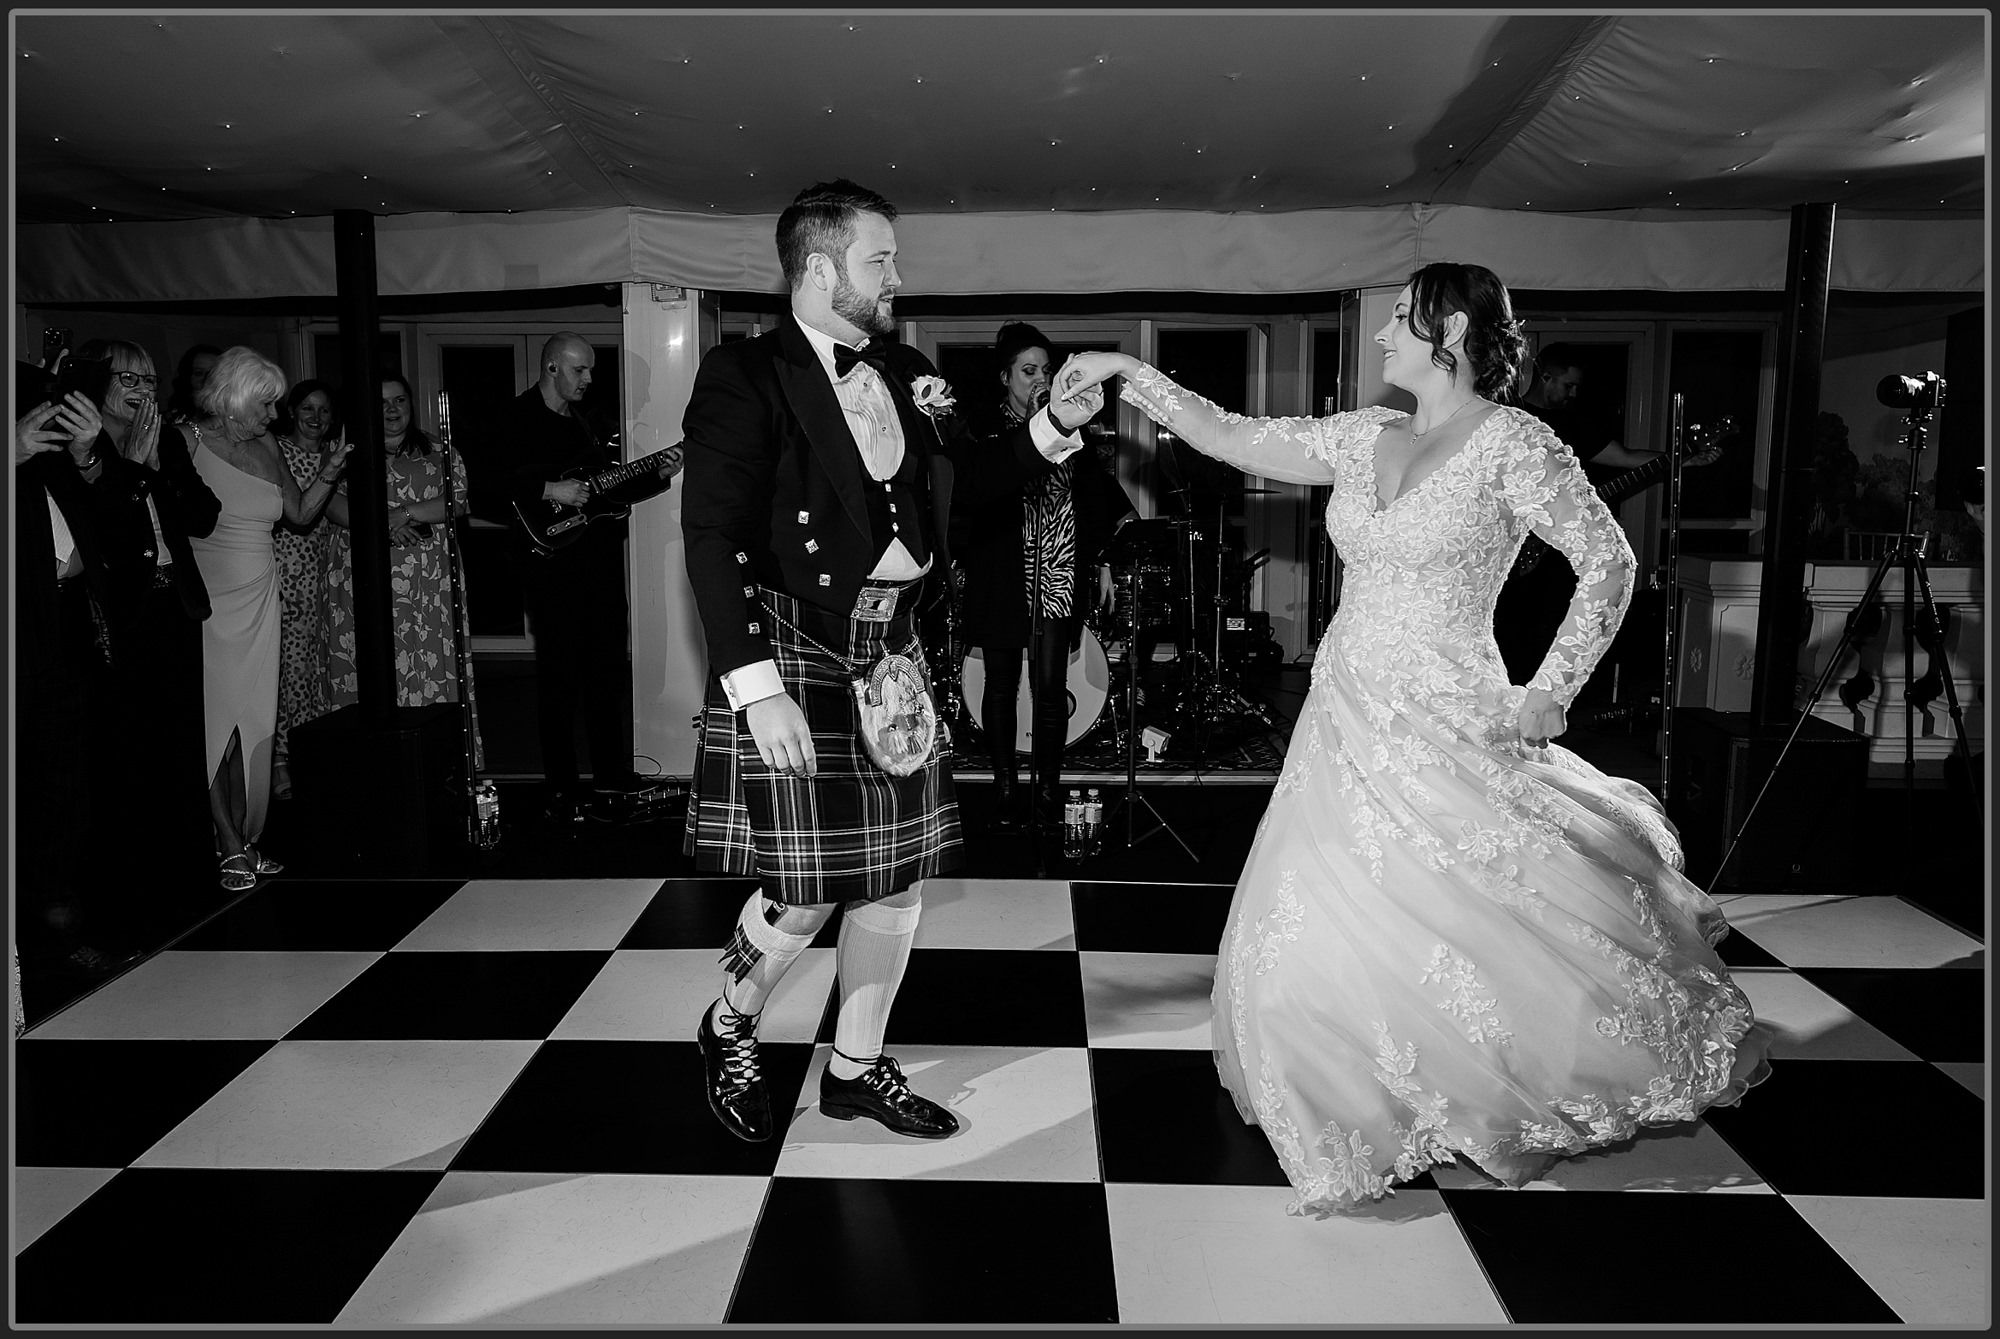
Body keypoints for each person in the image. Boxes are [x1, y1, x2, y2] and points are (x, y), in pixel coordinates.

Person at [1056, 262, 1770, 1216]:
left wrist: (1551, 687)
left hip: (1452, 717)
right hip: (1345, 711)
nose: (1384, 336)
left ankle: (1467, 1089)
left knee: (1461, 920)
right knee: (1316, 916)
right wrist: (1123, 369)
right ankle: (1350, 1105)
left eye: (1399, 319)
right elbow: (1229, 436)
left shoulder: (1517, 443)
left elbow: (1609, 561)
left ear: (1454, 330)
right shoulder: (1363, 436)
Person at [681, 179, 1103, 1144]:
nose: (897, 276)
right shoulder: (744, 377)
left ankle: (856, 1067)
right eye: (882, 260)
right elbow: (708, 535)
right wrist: (757, 689)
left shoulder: (905, 366)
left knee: (896, 874)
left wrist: (1057, 423)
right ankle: (732, 1019)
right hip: (798, 645)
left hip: (894, 651)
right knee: (803, 884)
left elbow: (978, 476)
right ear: (821, 267)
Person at [956, 322, 1135, 830]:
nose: (1040, 379)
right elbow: (970, 490)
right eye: (1029, 371)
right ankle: (1006, 785)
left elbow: (1097, 497)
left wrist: (1100, 561)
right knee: (1001, 683)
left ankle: (1050, 786)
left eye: (1047, 370)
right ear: (1005, 377)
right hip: (1003, 571)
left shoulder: (1072, 426)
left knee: (1052, 686)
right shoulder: (985, 427)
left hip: (1058, 567)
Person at [187, 347, 351, 891]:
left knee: (253, 722)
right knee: (214, 726)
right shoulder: (184, 442)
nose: (273, 416)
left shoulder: (265, 445)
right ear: (232, 399)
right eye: (264, 404)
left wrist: (328, 473)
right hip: (207, 603)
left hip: (261, 598)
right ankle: (226, 841)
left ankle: (245, 835)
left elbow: (301, 515)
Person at [500, 333, 677, 820]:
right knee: (559, 678)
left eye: (591, 371)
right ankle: (561, 783)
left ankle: (610, 772)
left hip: (597, 565)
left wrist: (657, 475)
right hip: (550, 567)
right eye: (580, 371)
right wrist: (548, 487)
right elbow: (488, 488)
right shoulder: (514, 419)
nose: (589, 379)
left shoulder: (589, 423)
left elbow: (604, 492)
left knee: (606, 671)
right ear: (553, 368)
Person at [75, 338, 223, 908]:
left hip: (175, 608)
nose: (143, 391)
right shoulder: (75, 451)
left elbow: (203, 517)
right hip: (120, 618)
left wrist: (160, 468)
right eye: (129, 379)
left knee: (182, 744)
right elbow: (99, 534)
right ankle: (133, 891)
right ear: (95, 384)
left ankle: (186, 881)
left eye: (150, 381)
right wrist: (133, 469)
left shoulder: (165, 442)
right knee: (128, 750)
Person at [14, 377, 144, 978]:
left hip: (66, 627)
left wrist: (88, 454)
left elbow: (122, 524)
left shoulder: (57, 449)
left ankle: (54, 939)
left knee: (61, 795)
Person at [323, 373, 483, 769]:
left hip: (427, 579)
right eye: (381, 402)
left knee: (427, 657)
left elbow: (458, 501)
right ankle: (369, 767)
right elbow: (328, 502)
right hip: (362, 570)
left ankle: (435, 760)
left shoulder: (437, 448)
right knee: (369, 661)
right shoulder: (342, 450)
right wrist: (381, 526)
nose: (391, 410)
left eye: (399, 401)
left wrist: (403, 514)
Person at [271, 379, 343, 799]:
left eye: (325, 410)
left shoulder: (337, 456)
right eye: (308, 409)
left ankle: (307, 753)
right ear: (292, 411)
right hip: (288, 572)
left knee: (317, 671)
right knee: (289, 671)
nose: (317, 419)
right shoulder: (277, 452)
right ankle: (280, 761)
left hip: (326, 572)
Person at [166, 343, 222, 425]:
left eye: (213, 373)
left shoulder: (237, 420)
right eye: (199, 373)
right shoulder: (170, 422)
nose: (207, 380)